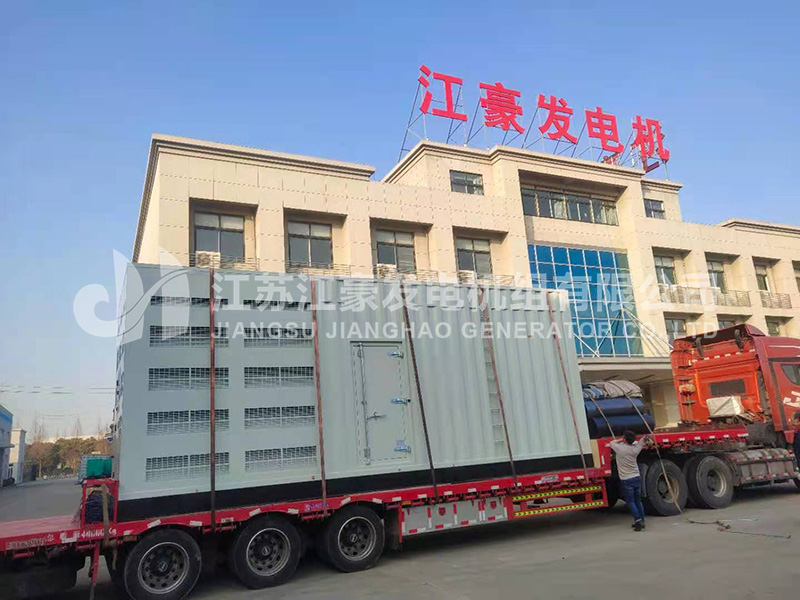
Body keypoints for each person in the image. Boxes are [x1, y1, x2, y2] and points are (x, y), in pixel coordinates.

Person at [609, 430, 652, 532]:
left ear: (624, 439)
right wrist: (646, 437)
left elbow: (611, 443)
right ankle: (642, 520)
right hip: (636, 477)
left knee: (631, 502)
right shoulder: (636, 449)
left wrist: (621, 440)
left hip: (626, 479)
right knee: (638, 500)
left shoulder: (620, 449)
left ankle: (638, 520)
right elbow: (642, 441)